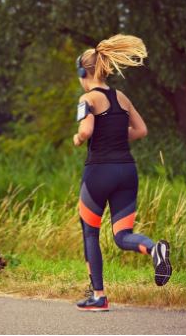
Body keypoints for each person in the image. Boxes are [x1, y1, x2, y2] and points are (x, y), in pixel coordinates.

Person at [73, 34, 172, 312]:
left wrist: (79, 138)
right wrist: (115, 135)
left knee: (90, 233)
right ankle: (154, 249)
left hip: (99, 174)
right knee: (122, 235)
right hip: (127, 172)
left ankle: (99, 296)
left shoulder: (87, 98)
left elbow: (87, 130)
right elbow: (141, 130)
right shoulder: (122, 97)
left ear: (84, 72)